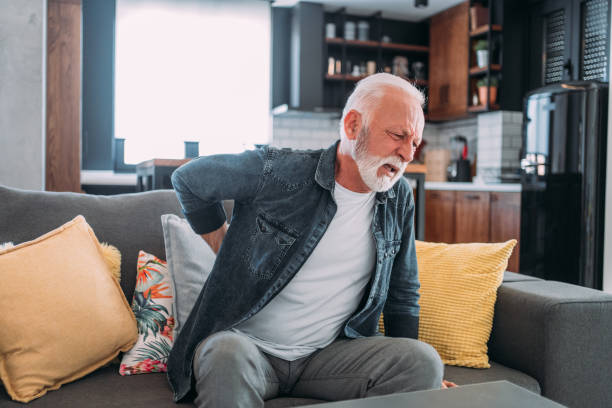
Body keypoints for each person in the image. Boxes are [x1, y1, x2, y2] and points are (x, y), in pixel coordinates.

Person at [167, 73, 453, 407]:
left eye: (415, 143)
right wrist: (221, 244)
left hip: (329, 359)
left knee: (423, 361)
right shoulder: (278, 171)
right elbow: (189, 179)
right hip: (248, 349)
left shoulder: (398, 198)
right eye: (397, 136)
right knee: (224, 353)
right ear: (352, 125)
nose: (407, 154)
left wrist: (417, 385)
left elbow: (403, 294)